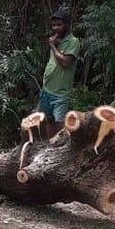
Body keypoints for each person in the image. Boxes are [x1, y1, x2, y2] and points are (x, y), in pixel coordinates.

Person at [38, 8, 80, 138]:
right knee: (48, 120)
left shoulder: (73, 42)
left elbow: (66, 62)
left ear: (67, 25)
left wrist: (52, 46)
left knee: (60, 124)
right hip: (47, 89)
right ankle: (51, 148)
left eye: (59, 25)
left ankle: (61, 149)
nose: (55, 28)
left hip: (60, 93)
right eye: (54, 25)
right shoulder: (56, 40)